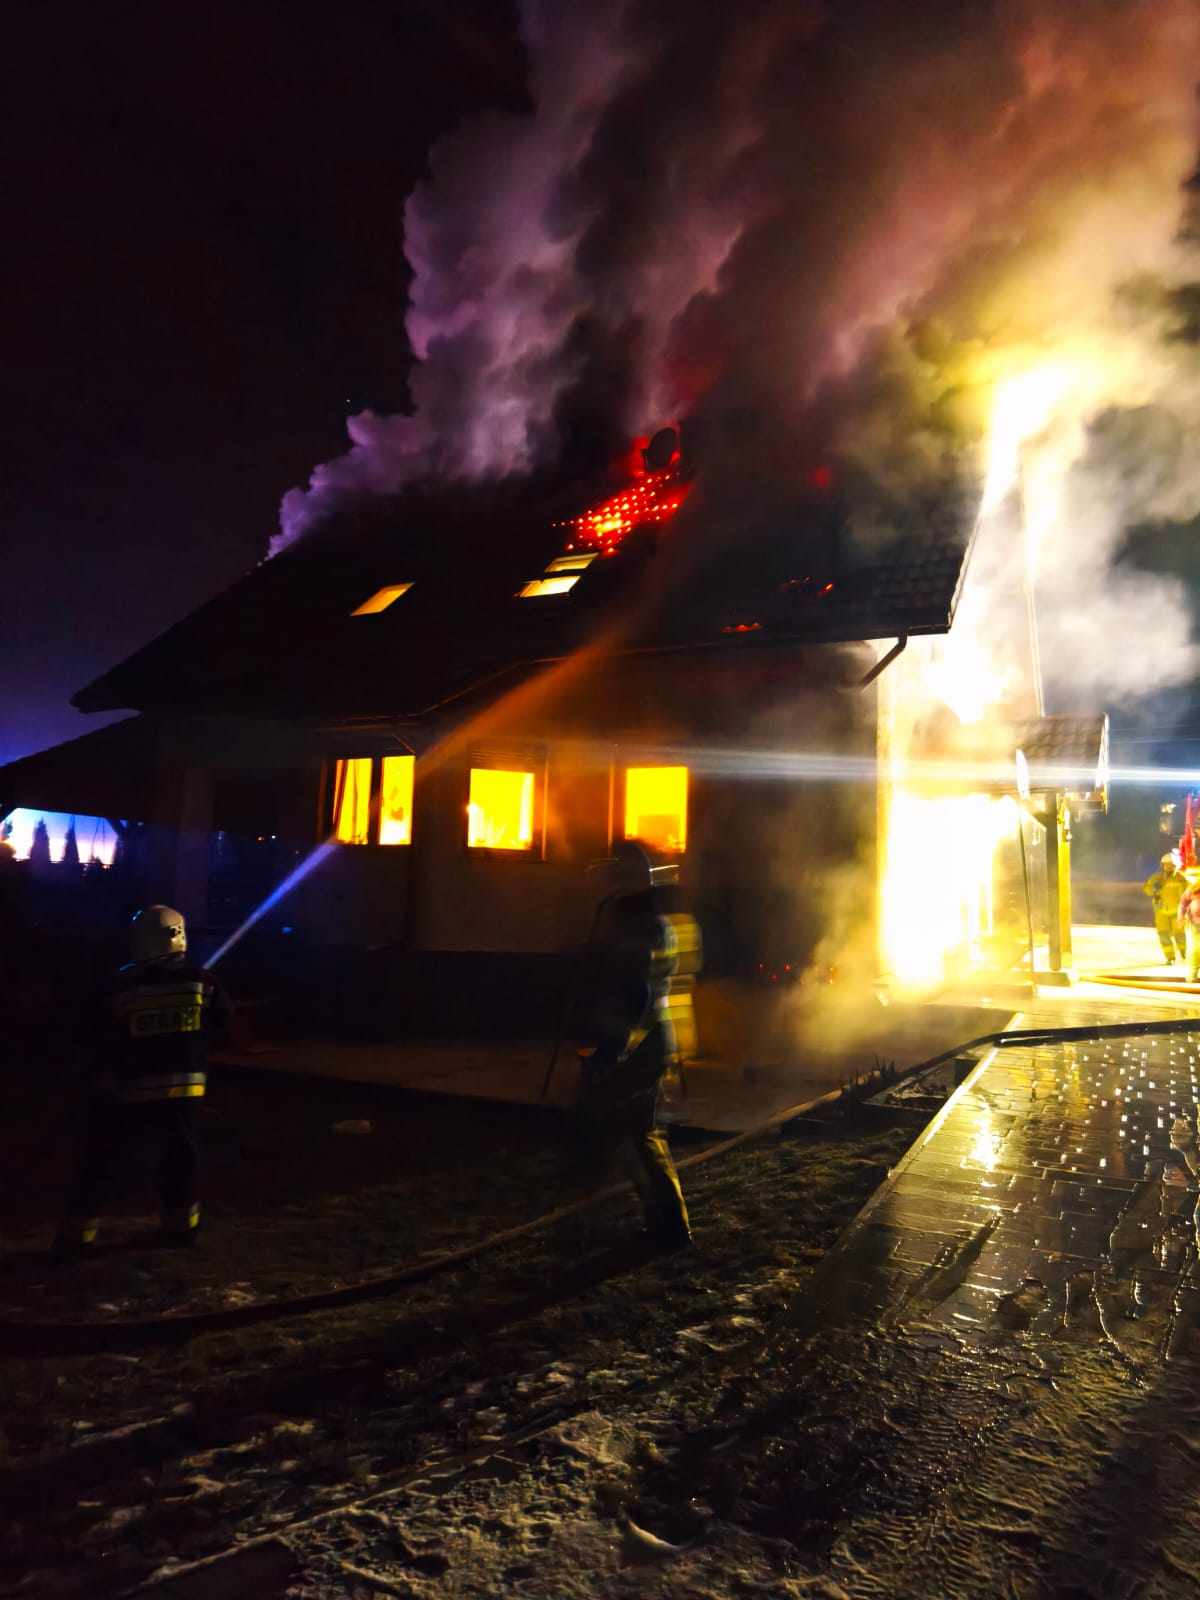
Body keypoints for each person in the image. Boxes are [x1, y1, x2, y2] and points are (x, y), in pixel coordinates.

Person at [56, 905, 232, 1258]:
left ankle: (79, 1235)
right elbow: (222, 1026)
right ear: (178, 934)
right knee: (180, 1160)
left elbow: (90, 1032)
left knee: (101, 1161)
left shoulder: (120, 984)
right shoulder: (202, 981)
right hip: (184, 1091)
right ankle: (181, 1229)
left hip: (126, 1090)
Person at [576, 841, 702, 1251]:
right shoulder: (646, 920)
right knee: (635, 1134)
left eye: (615, 872)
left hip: (641, 1045)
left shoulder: (641, 925)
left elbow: (639, 992)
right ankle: (662, 1223)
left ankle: (670, 1228)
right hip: (644, 1042)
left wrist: (617, 1047)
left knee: (642, 1135)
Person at [1144, 853, 1186, 965]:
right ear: (1162, 865)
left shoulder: (1181, 878)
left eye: (1171, 865)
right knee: (1163, 934)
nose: (1169, 867)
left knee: (1180, 934)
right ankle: (1170, 957)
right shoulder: (1156, 878)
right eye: (1166, 865)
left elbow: (1189, 892)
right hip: (1161, 911)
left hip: (1177, 912)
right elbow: (1147, 890)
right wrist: (1154, 889)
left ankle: (1184, 953)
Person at [1181, 868, 1200, 985]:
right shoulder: (1190, 890)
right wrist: (1180, 917)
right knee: (1194, 950)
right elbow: (1183, 904)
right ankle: (1192, 975)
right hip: (1193, 925)